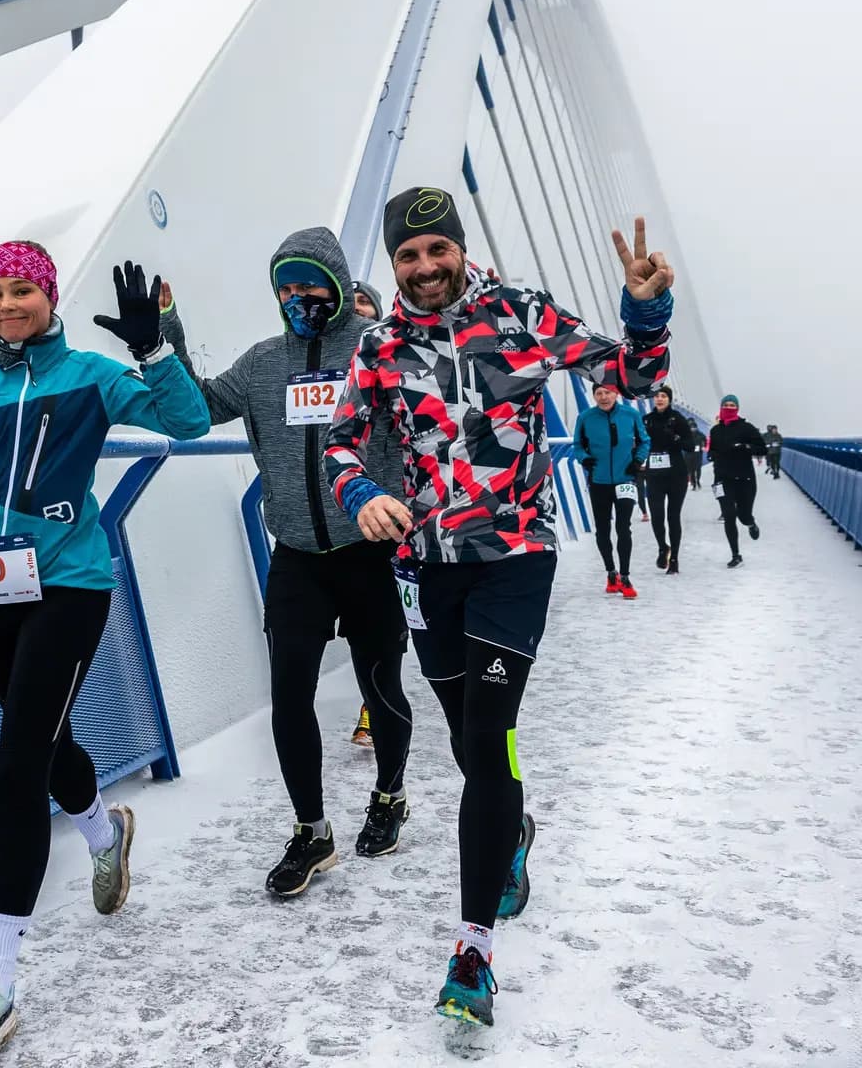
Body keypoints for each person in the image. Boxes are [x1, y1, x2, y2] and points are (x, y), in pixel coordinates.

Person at [324, 187, 674, 1026]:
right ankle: (510, 831)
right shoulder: (378, 345)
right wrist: (363, 489)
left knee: (489, 733)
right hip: (426, 564)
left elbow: (624, 376)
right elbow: (337, 441)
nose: (424, 267)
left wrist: (646, 311)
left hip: (515, 555)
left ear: (458, 248)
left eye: (435, 250)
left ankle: (473, 949)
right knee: (467, 737)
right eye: (408, 256)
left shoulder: (521, 314)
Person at [0, 242, 209, 1062]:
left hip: (71, 584)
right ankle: (104, 833)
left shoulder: (89, 374)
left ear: (49, 296)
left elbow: (186, 423)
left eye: (22, 289)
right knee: (43, 744)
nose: (7, 303)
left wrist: (153, 346)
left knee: (18, 763)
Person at [158, 231, 415, 897]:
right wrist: (163, 342)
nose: (297, 297)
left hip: (370, 549)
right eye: (286, 286)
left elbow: (429, 415)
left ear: (335, 282)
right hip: (297, 556)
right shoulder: (265, 361)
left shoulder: (376, 346)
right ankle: (312, 831)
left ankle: (389, 795)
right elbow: (196, 413)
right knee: (290, 694)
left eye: (309, 284)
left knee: (381, 684)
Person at [572, 381, 649, 598]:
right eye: (599, 393)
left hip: (625, 479)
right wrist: (584, 459)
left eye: (607, 393)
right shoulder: (585, 418)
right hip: (599, 480)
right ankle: (611, 573)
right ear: (594, 396)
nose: (603, 397)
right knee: (603, 529)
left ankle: (625, 576)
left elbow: (645, 441)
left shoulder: (630, 415)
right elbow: (577, 445)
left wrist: (638, 460)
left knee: (624, 528)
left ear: (616, 394)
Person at [350, 279, 385, 747]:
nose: (358, 311)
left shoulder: (397, 359)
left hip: (400, 517)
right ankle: (371, 709)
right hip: (352, 518)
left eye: (366, 303)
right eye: (351, 301)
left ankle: (375, 709)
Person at [706, 393, 767, 568]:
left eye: (733, 405)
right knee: (729, 515)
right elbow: (711, 451)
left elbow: (762, 449)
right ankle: (736, 554)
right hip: (723, 479)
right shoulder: (715, 431)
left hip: (745, 479)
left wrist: (745, 447)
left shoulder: (746, 428)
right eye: (727, 404)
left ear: (738, 408)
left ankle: (751, 523)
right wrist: (713, 456)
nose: (729, 407)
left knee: (743, 515)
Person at [642, 387, 697, 574]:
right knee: (657, 516)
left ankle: (674, 560)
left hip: (676, 475)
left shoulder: (678, 419)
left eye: (663, 396)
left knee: (673, 517)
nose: (659, 399)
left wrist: (676, 438)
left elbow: (690, 446)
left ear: (669, 399)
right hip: (654, 475)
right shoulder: (646, 420)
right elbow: (638, 442)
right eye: (657, 396)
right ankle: (662, 548)